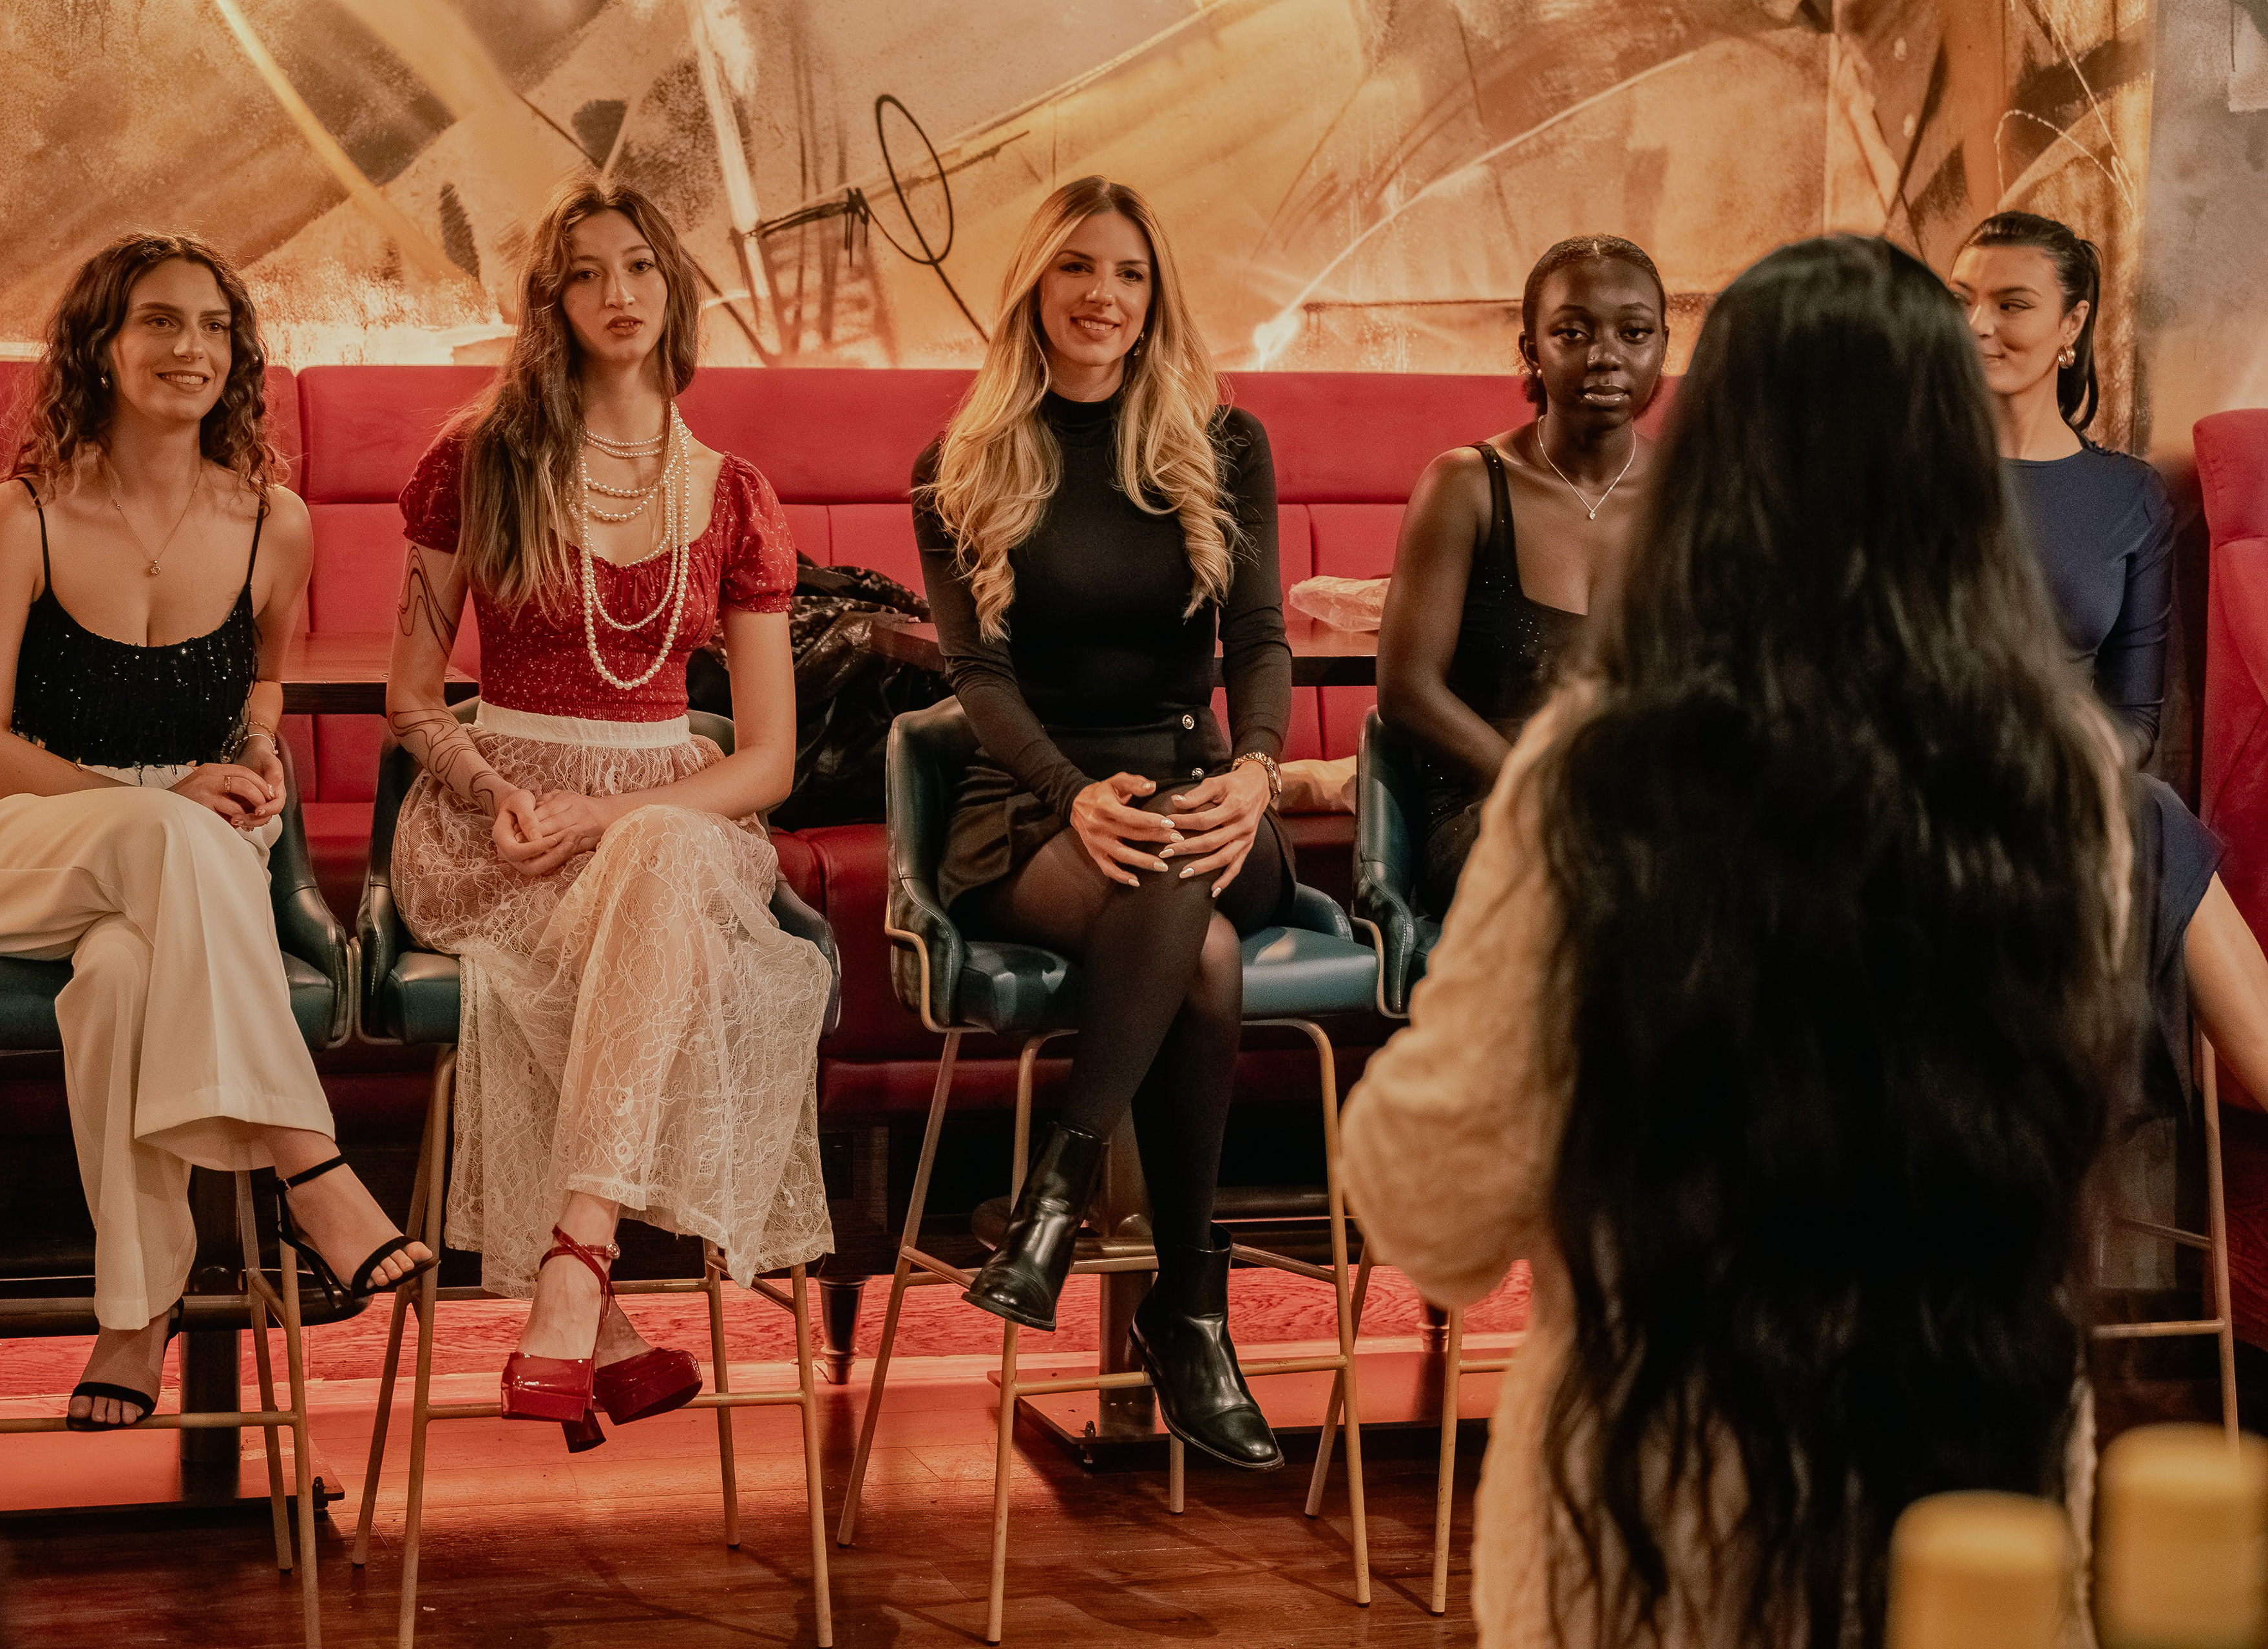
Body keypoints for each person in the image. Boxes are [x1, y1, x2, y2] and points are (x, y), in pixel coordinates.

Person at [1344, 236, 2139, 1646]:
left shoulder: (1602, 769)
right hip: (1980, 1504)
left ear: (1716, 465)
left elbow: (1435, 1199)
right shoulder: (2060, 775)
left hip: (1657, 1519)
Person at [0, 233, 432, 1431]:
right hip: (12, 839)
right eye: (158, 321)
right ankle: (312, 1166)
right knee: (168, 843)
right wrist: (152, 804)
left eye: (213, 327)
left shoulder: (274, 524)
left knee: (121, 980)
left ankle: (134, 1315)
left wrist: (257, 751)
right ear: (99, 345)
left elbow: (264, 685)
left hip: (187, 859)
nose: (189, 349)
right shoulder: (21, 514)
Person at [385, 178, 832, 1453]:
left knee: (662, 848)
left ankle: (577, 1275)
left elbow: (769, 760)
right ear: (553, 302)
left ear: (673, 288)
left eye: (638, 266)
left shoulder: (734, 494)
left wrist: (616, 814)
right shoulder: (474, 461)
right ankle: (601, 1315)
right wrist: (500, 792)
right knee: (650, 887)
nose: (618, 293)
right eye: (585, 273)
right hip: (501, 824)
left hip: (667, 815)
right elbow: (412, 696)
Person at [911, 175, 1290, 1471]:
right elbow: (979, 680)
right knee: (1208, 959)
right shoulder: (959, 464)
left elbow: (1261, 640)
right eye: (1077, 267)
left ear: (1154, 296)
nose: (1103, 296)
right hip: (1032, 807)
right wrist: (1072, 792)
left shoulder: (1222, 442)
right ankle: (1191, 1311)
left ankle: (1052, 1201)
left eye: (1129, 273)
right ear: (1036, 286)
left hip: (1204, 793)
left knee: (1181, 857)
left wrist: (1258, 768)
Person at [1954, 212, 2268, 1112]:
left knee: (2141, 809)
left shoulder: (2129, 495)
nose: (1978, 325)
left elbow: (2135, 717)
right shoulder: (1905, 475)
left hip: (2066, 790)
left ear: (2074, 323)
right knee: (2151, 816)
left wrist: (2067, 762)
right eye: (1963, 300)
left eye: (2011, 303)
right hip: (1926, 771)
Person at [1375, 236, 1666, 914]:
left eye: (1634, 333)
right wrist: (1541, 784)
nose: (1605, 355)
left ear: (1661, 347)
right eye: (1573, 332)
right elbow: (1407, 690)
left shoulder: (1690, 495)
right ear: (1532, 349)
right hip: (1490, 805)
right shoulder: (1466, 485)